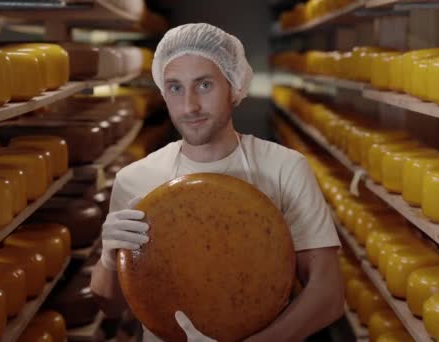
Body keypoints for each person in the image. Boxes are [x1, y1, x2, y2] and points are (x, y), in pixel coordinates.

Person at [90, 23, 344, 342]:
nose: (189, 106)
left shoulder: (284, 168)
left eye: (205, 85)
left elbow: (328, 294)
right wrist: (109, 257)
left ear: (233, 86)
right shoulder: (135, 179)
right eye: (175, 87)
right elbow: (110, 307)